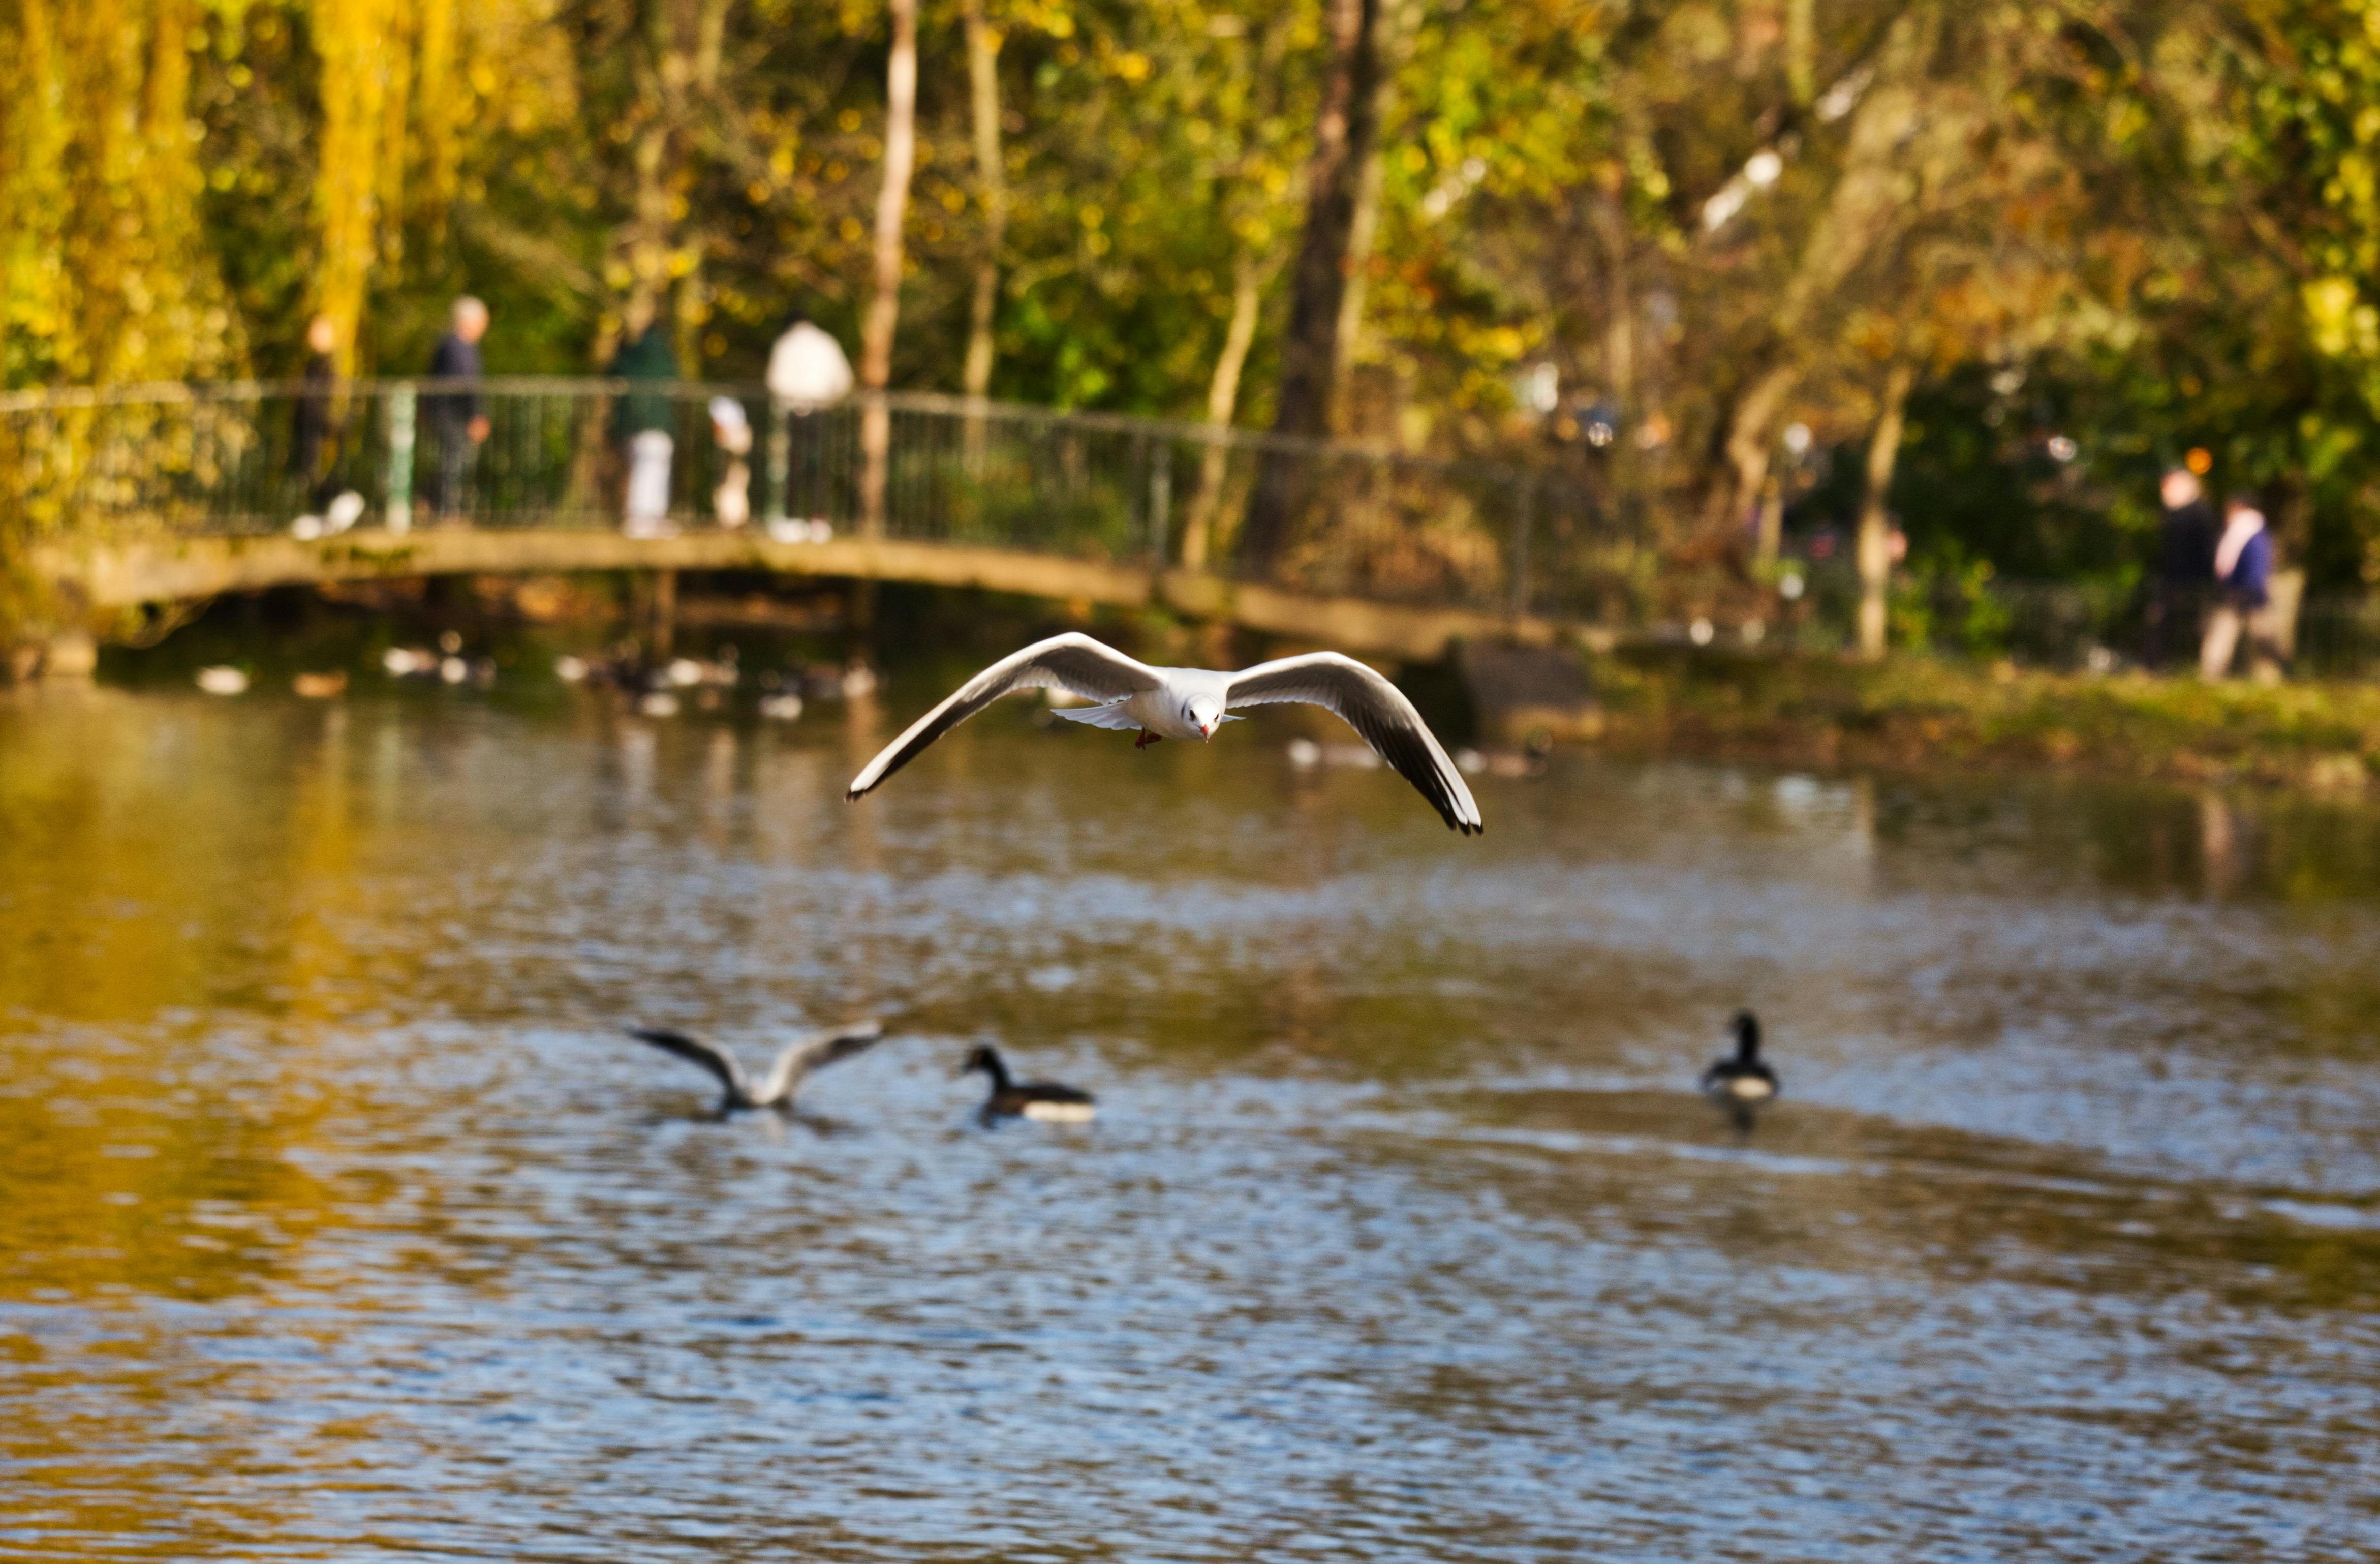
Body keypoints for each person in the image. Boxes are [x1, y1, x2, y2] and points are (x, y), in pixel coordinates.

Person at [764, 310, 853, 530]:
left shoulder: (785, 344)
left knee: (792, 466)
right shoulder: (827, 343)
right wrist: (830, 400)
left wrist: (794, 399)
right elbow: (844, 380)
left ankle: (792, 518)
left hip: (793, 413)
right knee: (819, 467)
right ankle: (818, 519)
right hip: (821, 411)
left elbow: (775, 380)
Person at [612, 312, 680, 536]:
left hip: (636, 422)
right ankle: (646, 519)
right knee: (655, 470)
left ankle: (642, 519)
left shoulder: (632, 354)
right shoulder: (665, 356)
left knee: (643, 468)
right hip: (658, 423)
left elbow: (613, 372)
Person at [2145, 465, 2216, 669]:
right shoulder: (2174, 515)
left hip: (2188, 584)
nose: (2164, 490)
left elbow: (2203, 555)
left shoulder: (2197, 515)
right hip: (2175, 582)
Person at [425, 296, 490, 520]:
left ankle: (441, 505)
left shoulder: (462, 347)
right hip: (450, 414)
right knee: (451, 462)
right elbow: (465, 384)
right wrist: (475, 415)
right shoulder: (456, 346)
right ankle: (444, 510)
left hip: (452, 414)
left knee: (454, 461)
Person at [2200, 492, 2274, 680]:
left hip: (2247, 593)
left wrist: (2249, 587)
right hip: (2240, 592)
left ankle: (2270, 677)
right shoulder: (2243, 532)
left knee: (2261, 639)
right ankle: (2211, 675)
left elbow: (2257, 564)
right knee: (2227, 635)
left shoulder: (2250, 533)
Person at [290, 314, 342, 518]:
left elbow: (320, 396)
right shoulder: (312, 362)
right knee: (307, 470)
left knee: (315, 470)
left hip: (316, 424)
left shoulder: (326, 364)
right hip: (308, 424)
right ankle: (319, 511)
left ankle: (330, 506)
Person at [709, 397, 753, 528]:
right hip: (733, 462)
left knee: (731, 493)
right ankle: (731, 521)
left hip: (734, 464)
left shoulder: (735, 435)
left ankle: (732, 521)